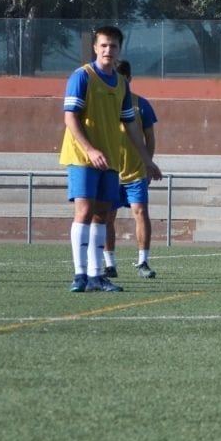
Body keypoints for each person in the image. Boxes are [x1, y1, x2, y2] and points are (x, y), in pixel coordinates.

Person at [61, 26, 162, 292]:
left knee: (102, 215)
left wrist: (147, 161)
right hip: (83, 157)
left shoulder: (121, 85)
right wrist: (90, 150)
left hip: (110, 159)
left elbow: (131, 126)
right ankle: (79, 275)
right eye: (103, 45)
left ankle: (96, 276)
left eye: (113, 46)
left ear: (119, 50)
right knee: (84, 211)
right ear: (95, 48)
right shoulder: (82, 76)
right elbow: (70, 117)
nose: (108, 50)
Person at [103, 60, 158, 279]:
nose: (119, 81)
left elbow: (150, 138)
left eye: (123, 77)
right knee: (107, 216)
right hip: (111, 171)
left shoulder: (141, 104)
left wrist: (148, 163)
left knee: (141, 212)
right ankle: (109, 264)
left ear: (129, 79)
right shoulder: (105, 105)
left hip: (135, 172)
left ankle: (143, 262)